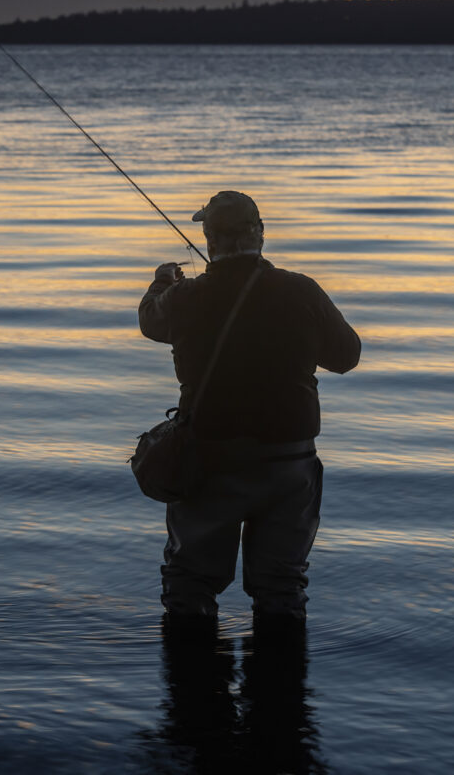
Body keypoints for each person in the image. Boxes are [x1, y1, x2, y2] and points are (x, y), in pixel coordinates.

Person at [138, 190, 361, 622]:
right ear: (260, 234)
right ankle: (281, 684)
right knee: (282, 589)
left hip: (210, 462)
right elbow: (347, 356)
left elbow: (149, 319)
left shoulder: (186, 299)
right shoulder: (302, 291)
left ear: (209, 241)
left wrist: (164, 279)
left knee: (190, 586)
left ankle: (192, 683)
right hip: (288, 463)